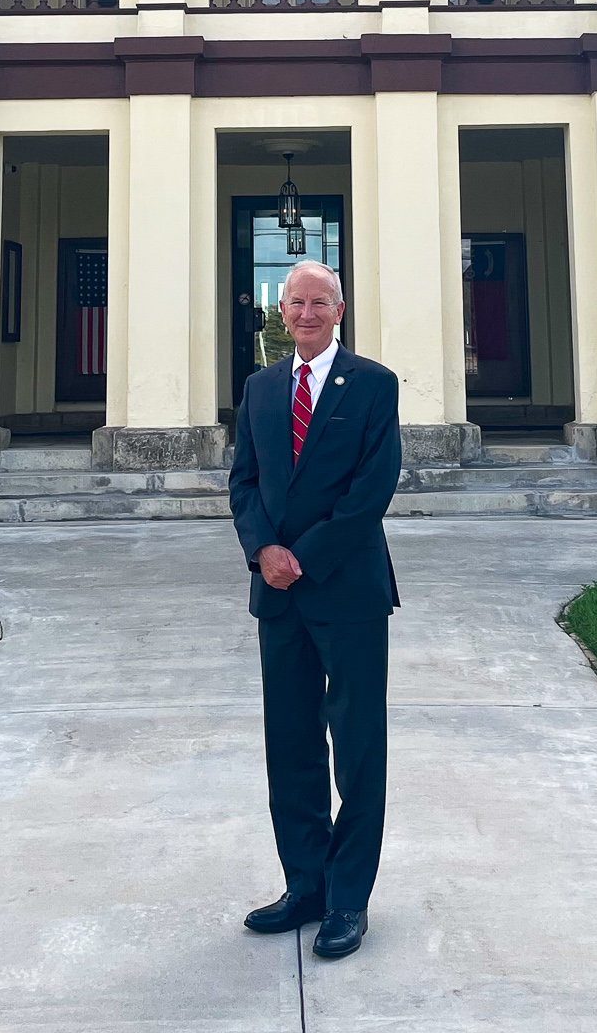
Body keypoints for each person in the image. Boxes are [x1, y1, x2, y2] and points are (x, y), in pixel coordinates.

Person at [228, 259, 402, 961]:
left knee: (358, 747)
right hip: (277, 592)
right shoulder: (260, 387)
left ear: (340, 309)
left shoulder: (374, 385)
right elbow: (243, 481)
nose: (305, 313)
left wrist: (307, 554)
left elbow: (372, 486)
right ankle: (305, 884)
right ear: (284, 310)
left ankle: (348, 899)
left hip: (347, 587)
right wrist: (265, 550)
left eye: (318, 302)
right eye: (295, 302)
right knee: (292, 742)